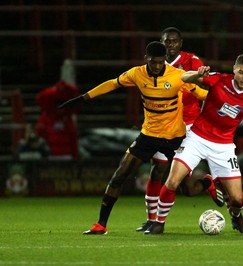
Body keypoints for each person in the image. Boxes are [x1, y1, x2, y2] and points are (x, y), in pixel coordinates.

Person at [59, 41, 209, 235]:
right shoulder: (136, 73)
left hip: (175, 138)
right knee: (120, 174)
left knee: (188, 190)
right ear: (146, 59)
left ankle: (208, 182)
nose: (157, 66)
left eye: (161, 62)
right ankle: (101, 224)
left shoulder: (178, 76)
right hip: (148, 135)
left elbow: (204, 94)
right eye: (153, 62)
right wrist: (83, 98)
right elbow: (112, 83)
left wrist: (228, 102)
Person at [144, 53, 243, 235]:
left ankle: (237, 217)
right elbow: (183, 77)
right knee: (172, 181)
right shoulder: (219, 80)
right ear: (234, 69)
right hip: (197, 138)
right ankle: (158, 223)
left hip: (223, 146)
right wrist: (197, 73)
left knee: (237, 198)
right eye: (241, 72)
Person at [135, 27, 224, 233]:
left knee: (186, 188)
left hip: (189, 126)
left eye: (174, 41)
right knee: (156, 170)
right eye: (167, 41)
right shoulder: (155, 65)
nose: (170, 45)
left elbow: (205, 85)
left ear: (180, 43)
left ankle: (206, 184)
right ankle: (152, 220)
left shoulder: (192, 61)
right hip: (164, 125)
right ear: (161, 43)